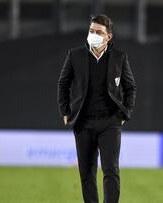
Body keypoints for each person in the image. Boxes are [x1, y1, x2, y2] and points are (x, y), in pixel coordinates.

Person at [57, 14, 136, 203]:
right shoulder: (75, 55)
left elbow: (130, 86)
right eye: (91, 31)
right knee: (86, 173)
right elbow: (63, 83)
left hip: (110, 121)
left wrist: (126, 112)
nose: (93, 35)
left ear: (109, 36)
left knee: (111, 170)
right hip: (83, 122)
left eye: (98, 32)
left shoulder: (119, 57)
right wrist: (65, 111)